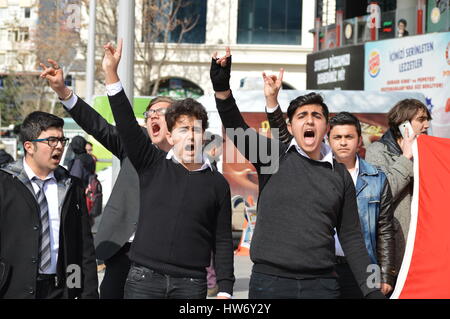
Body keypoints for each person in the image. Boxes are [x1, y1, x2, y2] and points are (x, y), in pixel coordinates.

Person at [211, 48, 385, 299]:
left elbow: (353, 238)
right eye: (302, 116)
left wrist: (373, 289)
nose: (310, 120)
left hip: (322, 286)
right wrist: (221, 87)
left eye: (317, 115)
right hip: (270, 284)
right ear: (291, 127)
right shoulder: (272, 156)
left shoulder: (340, 175)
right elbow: (235, 126)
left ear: (326, 125)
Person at [102, 41, 234, 299]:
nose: (191, 136)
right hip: (143, 280)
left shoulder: (217, 184)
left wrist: (226, 290)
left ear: (204, 136)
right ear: (171, 136)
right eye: (183, 130)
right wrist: (111, 73)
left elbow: (223, 240)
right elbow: (126, 124)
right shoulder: (151, 164)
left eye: (196, 129)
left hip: (191, 284)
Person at [40, 57, 174, 299]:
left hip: (163, 255)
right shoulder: (135, 147)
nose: (153, 117)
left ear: (176, 122)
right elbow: (97, 125)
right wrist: (63, 90)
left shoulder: (187, 161)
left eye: (161, 112)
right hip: (122, 250)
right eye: (150, 113)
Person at [266, 92, 396, 296]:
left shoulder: (376, 178)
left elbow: (385, 229)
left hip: (361, 268)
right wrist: (272, 102)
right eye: (337, 137)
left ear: (359, 140)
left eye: (349, 137)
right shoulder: (317, 170)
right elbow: (286, 136)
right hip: (324, 266)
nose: (343, 143)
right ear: (327, 137)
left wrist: (386, 274)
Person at [0, 111, 98, 299]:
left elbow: (82, 247)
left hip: (60, 289)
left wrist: (82, 292)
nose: (59, 147)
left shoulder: (71, 186)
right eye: (51, 140)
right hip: (12, 289)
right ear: (29, 146)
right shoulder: (6, 183)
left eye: (62, 140)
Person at [365, 99, 431, 272]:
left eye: (427, 119)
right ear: (404, 124)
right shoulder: (377, 151)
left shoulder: (427, 151)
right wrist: (406, 158)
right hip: (396, 244)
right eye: (421, 119)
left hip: (425, 240)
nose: (427, 124)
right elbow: (382, 193)